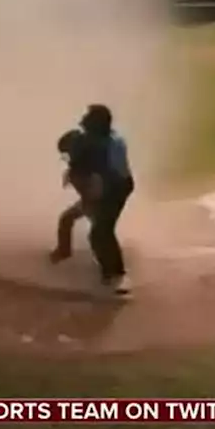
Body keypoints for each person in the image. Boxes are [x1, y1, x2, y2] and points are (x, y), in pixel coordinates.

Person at [79, 104, 134, 296]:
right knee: (98, 231)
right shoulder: (93, 139)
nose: (83, 121)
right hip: (102, 188)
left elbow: (118, 175)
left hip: (117, 189)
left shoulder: (113, 144)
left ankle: (117, 274)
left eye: (88, 118)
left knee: (101, 231)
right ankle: (108, 270)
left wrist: (98, 192)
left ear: (97, 124)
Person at [50, 127, 96, 265]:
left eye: (68, 152)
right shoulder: (79, 164)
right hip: (90, 201)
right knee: (66, 219)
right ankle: (64, 252)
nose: (67, 157)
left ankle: (108, 268)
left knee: (99, 232)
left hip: (101, 201)